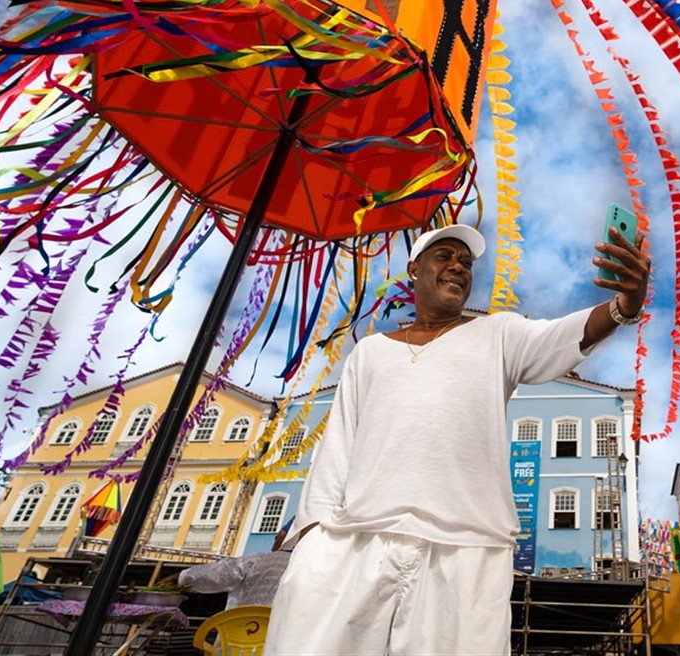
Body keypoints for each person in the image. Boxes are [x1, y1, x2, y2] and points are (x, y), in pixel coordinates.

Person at [265, 221, 649, 654]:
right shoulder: (370, 352)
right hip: (360, 540)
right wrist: (313, 536)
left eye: (466, 262)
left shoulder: (498, 334)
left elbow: (562, 335)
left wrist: (623, 305)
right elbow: (337, 446)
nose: (458, 267)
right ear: (414, 268)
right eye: (444, 256)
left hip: (466, 550)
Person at [164, 526, 293, 608]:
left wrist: (177, 578)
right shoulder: (309, 566)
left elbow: (216, 574)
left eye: (276, 537)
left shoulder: (259, 560)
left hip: (243, 639)